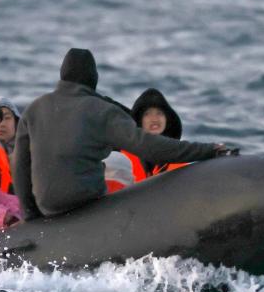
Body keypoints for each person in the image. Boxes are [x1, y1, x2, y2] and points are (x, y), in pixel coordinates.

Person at [14, 48, 225, 219]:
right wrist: (207, 150)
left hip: (47, 207)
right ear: (93, 78)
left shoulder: (33, 109)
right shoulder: (101, 110)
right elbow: (150, 147)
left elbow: (20, 166)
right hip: (85, 205)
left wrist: (31, 215)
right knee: (120, 164)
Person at [123, 88, 190, 182]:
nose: (154, 119)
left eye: (159, 113)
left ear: (167, 120)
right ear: (139, 121)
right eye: (147, 114)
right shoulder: (123, 159)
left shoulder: (180, 165)